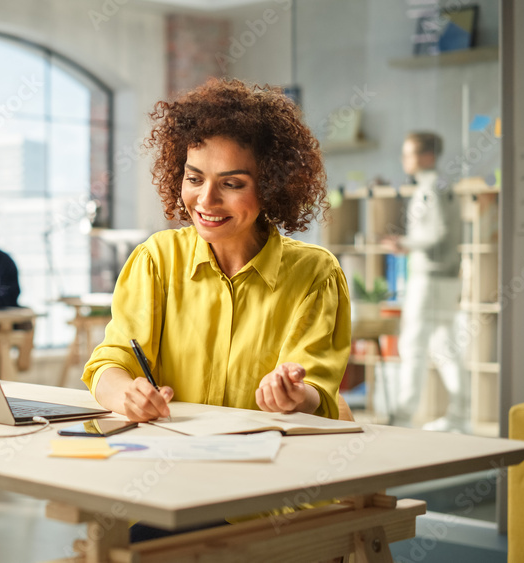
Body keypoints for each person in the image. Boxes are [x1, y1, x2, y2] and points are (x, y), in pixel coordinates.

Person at [81, 78, 351, 541]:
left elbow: (319, 397)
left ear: (270, 188)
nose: (205, 201)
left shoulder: (314, 274)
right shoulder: (156, 261)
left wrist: (293, 396)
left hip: (269, 499)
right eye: (194, 178)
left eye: (232, 184)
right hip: (168, 488)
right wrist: (125, 393)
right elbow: (109, 363)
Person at [384, 132, 468, 433]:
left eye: (409, 154)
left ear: (426, 156)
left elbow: (439, 233)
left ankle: (403, 417)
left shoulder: (431, 188)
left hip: (430, 279)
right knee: (445, 347)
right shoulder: (440, 186)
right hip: (444, 278)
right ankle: (460, 416)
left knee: (413, 346)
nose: (404, 160)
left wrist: (405, 242)